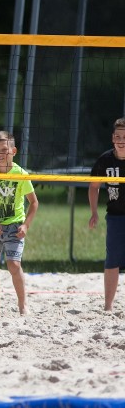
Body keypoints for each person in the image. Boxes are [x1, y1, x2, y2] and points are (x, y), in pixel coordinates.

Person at [0, 131, 39, 317]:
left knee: (13, 265)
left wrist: (26, 225)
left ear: (13, 151)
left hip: (14, 226)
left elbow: (34, 202)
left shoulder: (21, 174)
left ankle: (23, 306)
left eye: (4, 150)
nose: (0, 153)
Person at [88, 117, 125, 312]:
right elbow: (93, 187)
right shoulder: (105, 160)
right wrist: (94, 212)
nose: (121, 140)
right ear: (112, 138)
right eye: (118, 136)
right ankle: (108, 307)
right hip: (115, 216)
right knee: (112, 261)